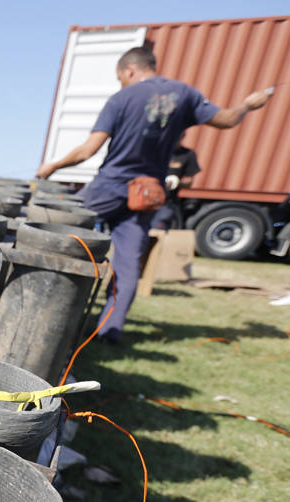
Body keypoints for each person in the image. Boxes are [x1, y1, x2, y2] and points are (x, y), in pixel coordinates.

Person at [36, 47, 273, 343]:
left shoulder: (122, 98)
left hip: (109, 187)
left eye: (120, 77)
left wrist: (53, 166)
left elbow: (88, 149)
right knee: (127, 264)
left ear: (129, 71)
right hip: (147, 193)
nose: (121, 82)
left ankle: (47, 315)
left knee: (60, 237)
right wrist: (249, 105)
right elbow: (226, 119)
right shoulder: (185, 94)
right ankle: (109, 331)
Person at [151, 143, 200, 230]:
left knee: (156, 232)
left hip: (166, 203)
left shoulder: (187, 154)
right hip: (147, 199)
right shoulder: (155, 151)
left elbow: (188, 182)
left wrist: (175, 183)